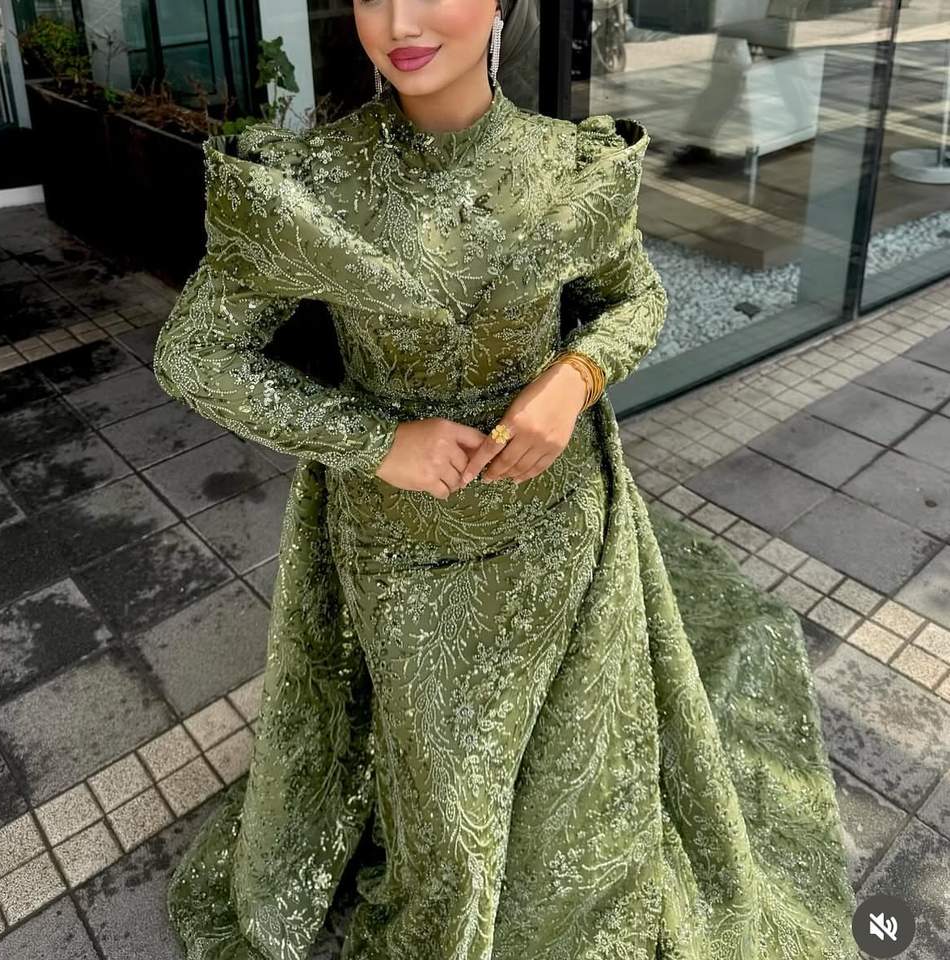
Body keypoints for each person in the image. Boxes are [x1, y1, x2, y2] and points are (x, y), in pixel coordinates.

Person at [151, 1, 860, 957]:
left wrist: (576, 377)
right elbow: (196, 355)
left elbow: (635, 297)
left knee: (577, 779)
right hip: (401, 551)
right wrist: (376, 440)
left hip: (563, 525)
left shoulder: (568, 165)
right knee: (443, 804)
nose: (398, 21)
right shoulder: (313, 184)